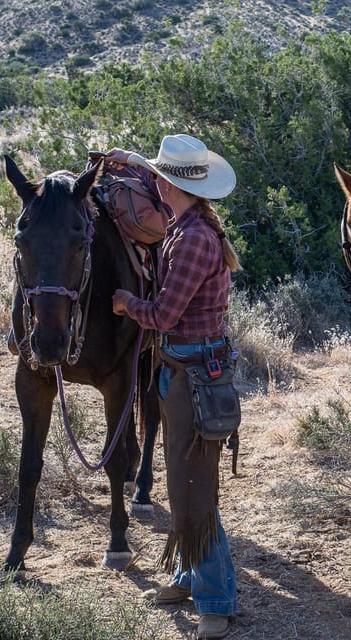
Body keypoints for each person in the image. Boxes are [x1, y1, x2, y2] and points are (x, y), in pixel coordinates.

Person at [108, 134, 240, 640]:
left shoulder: (190, 240)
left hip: (191, 375)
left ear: (169, 185)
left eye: (158, 178)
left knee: (194, 490)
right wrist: (128, 161)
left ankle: (215, 600)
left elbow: (163, 314)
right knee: (186, 485)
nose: (153, 183)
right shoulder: (194, 226)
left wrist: (125, 303)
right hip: (189, 371)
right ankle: (190, 577)